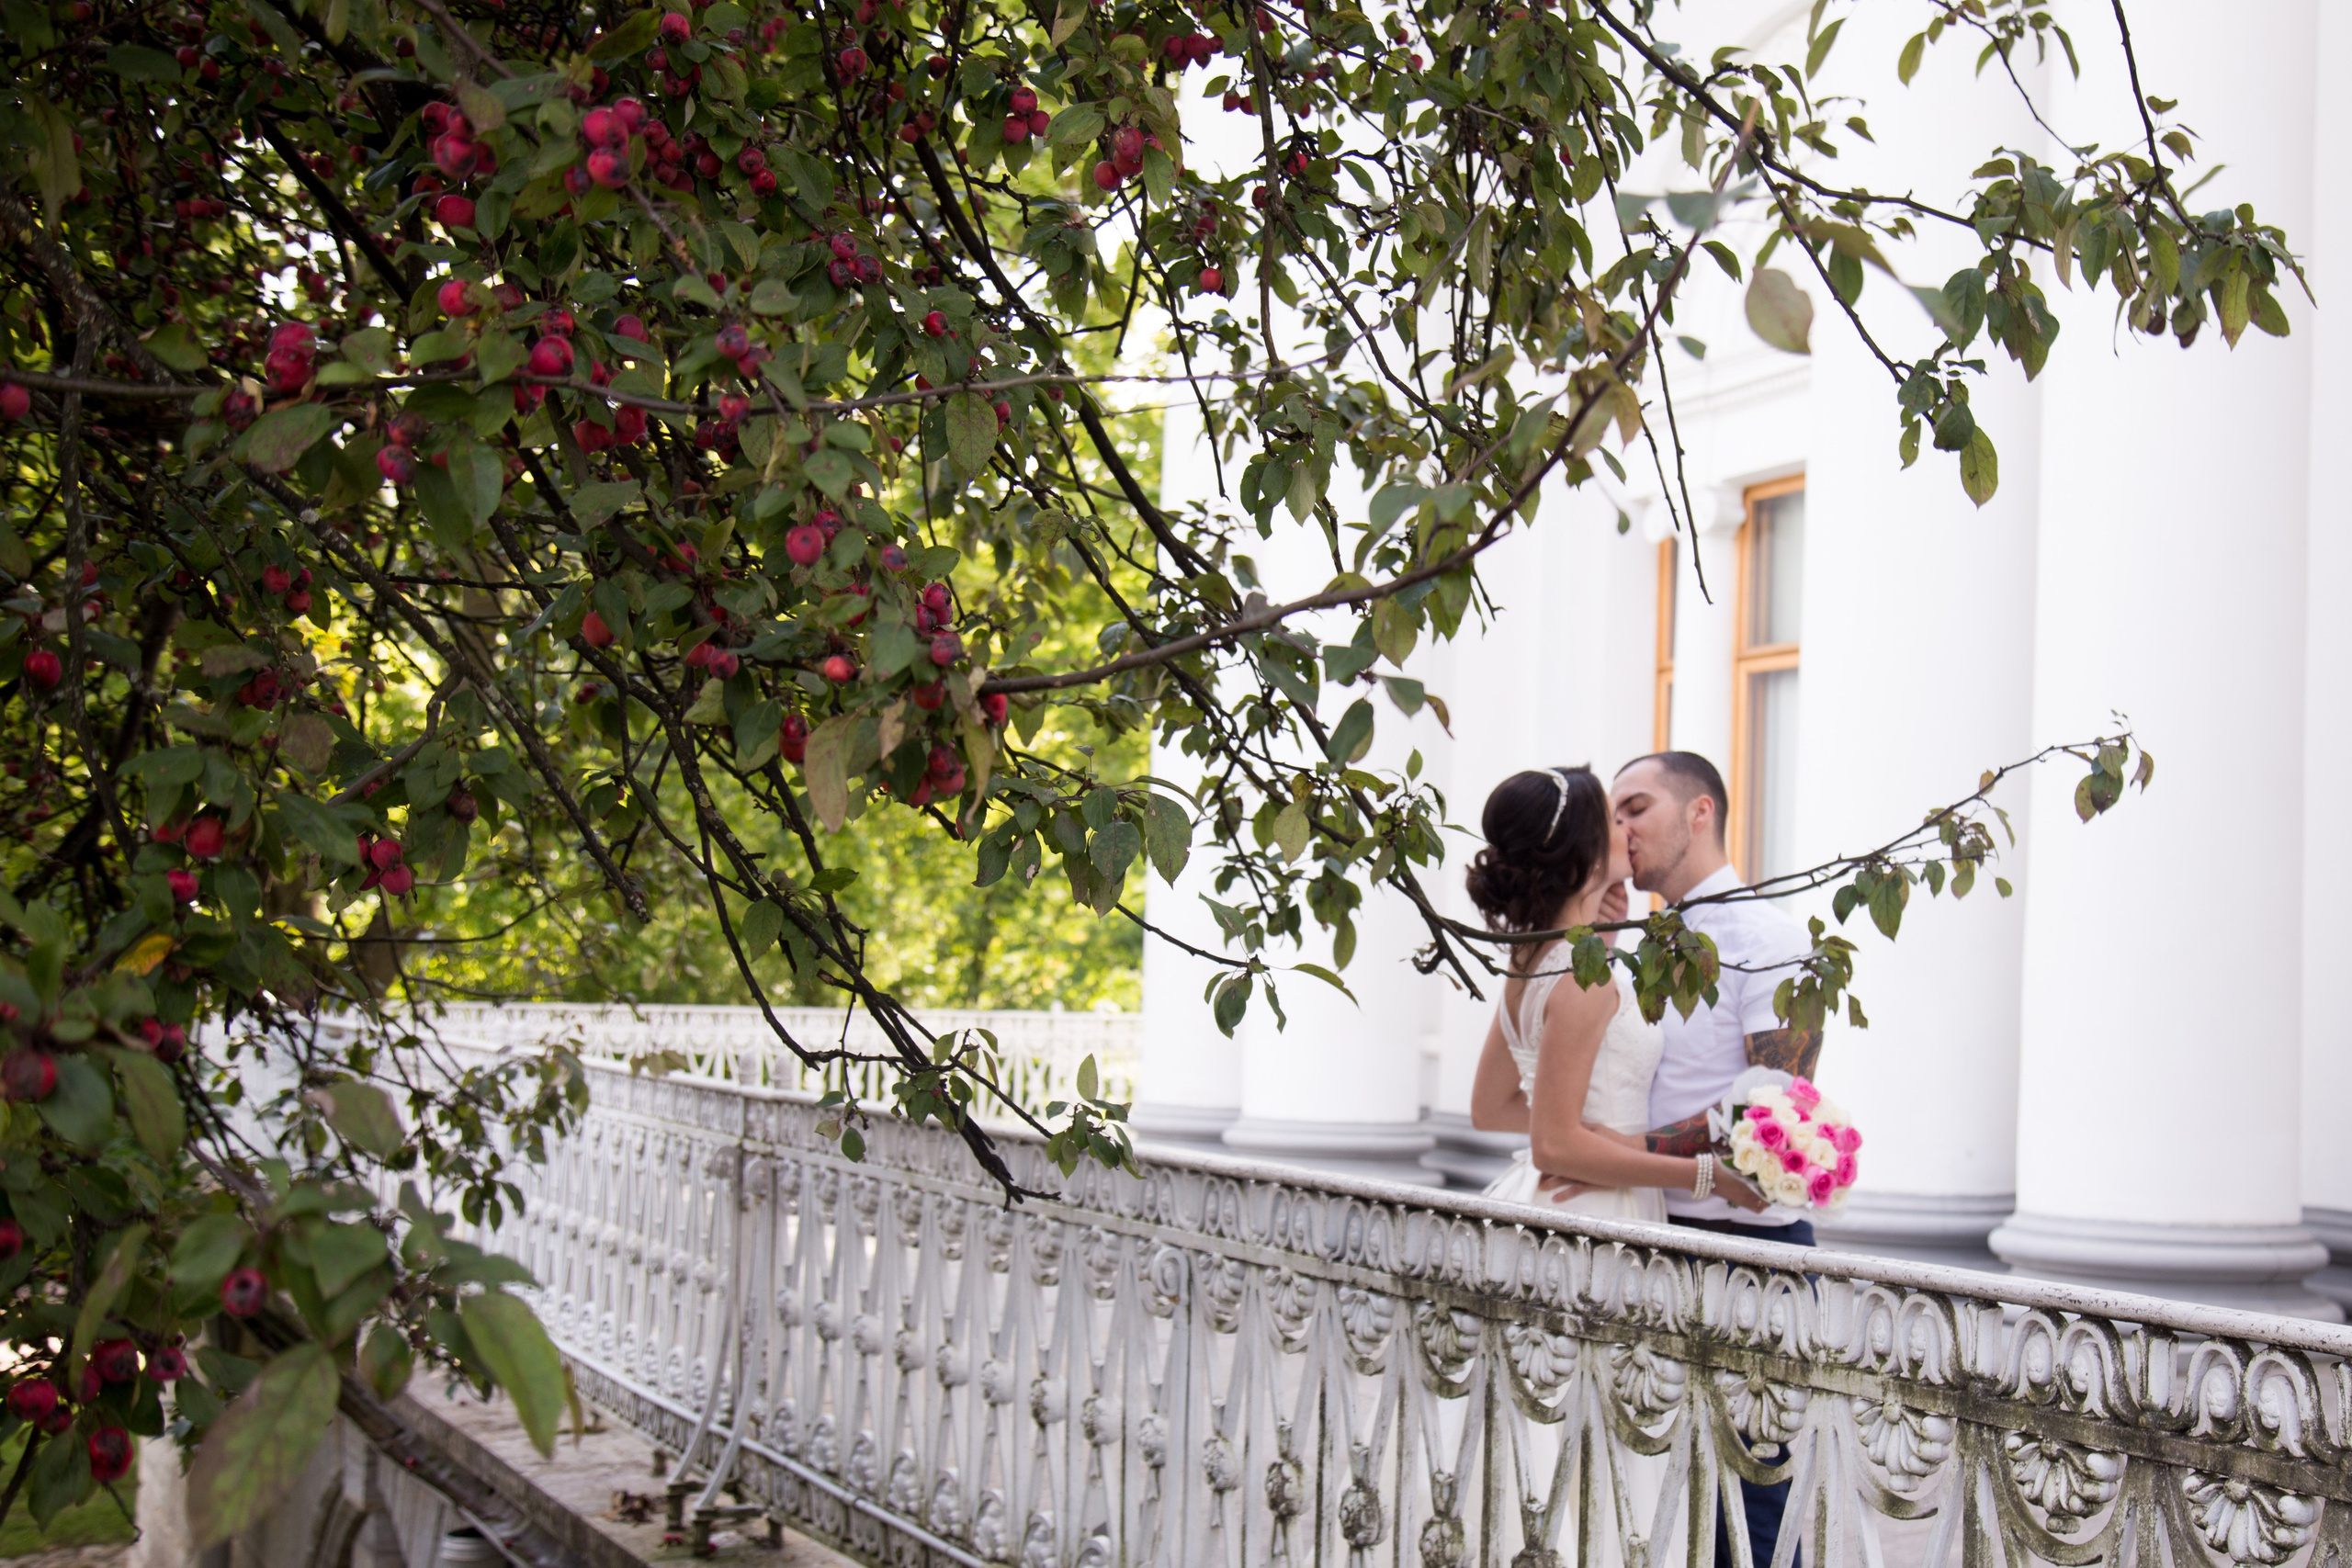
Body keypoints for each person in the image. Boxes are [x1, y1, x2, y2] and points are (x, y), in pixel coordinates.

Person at [1542, 750, 1819, 1568]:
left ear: (1701, 812)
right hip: (1648, 1242)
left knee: (1756, 1506)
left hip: (1749, 1257)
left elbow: (1779, 1106)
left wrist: (1625, 1151)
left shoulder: (1770, 935)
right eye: (1612, 814)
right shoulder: (1626, 942)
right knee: (1664, 1511)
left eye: (1636, 807)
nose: (1618, 828)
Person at [1464, 765, 1769, 1223]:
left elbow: (1489, 1109)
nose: (1625, 829)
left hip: (1567, 1194)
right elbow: (1552, 1146)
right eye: (1612, 819)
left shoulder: (1528, 960)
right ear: (1586, 849)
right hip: (1597, 1210)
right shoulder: (1585, 979)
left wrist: (1587, 1142)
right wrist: (1705, 1175)